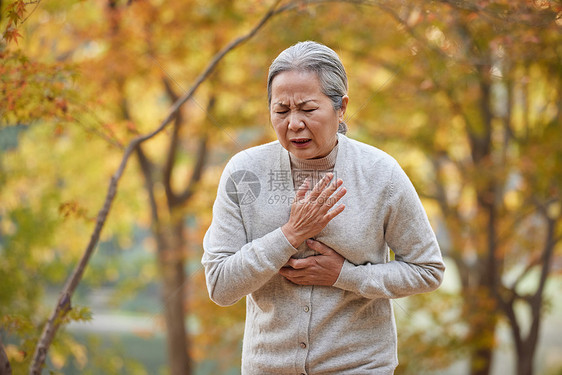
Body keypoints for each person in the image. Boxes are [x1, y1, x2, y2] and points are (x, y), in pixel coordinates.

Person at [202, 41, 445, 375]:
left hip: (360, 366)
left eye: (307, 109)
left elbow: (427, 270)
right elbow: (220, 286)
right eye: (281, 110)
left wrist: (345, 276)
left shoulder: (380, 173)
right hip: (268, 367)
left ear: (340, 107)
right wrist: (289, 235)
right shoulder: (245, 173)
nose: (294, 123)